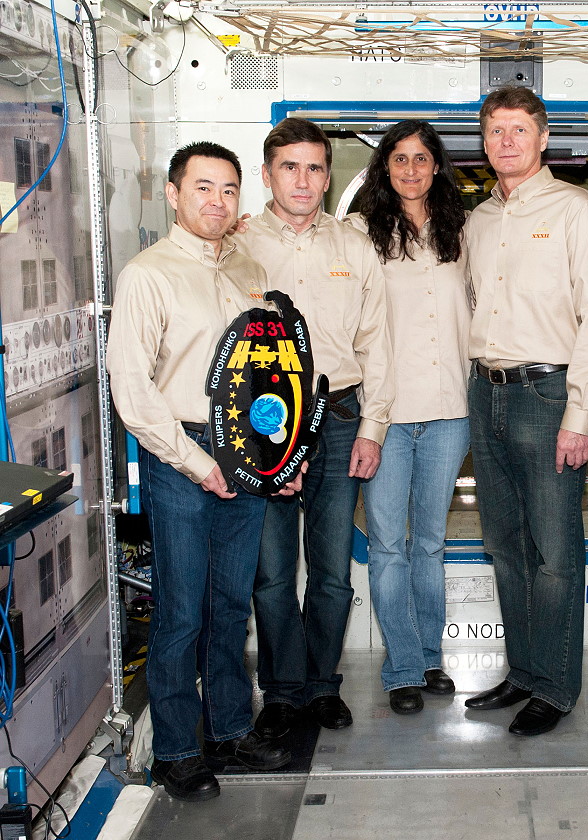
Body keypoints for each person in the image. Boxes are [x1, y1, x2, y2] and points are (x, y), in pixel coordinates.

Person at [108, 142, 294, 802]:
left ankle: (230, 730)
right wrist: (196, 463)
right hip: (179, 453)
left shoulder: (249, 268)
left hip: (245, 450)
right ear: (174, 193)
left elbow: (270, 373)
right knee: (182, 611)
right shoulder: (147, 274)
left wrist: (279, 456)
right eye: (203, 187)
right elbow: (133, 390)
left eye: (228, 189)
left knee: (230, 603)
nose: (217, 201)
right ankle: (177, 751)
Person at [463, 86, 588, 736]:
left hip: (547, 395)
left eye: (519, 129)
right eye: (495, 130)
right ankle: (522, 672)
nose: (506, 141)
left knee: (554, 553)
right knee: (504, 545)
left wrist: (580, 415)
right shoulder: (478, 220)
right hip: (486, 390)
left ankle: (555, 686)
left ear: (543, 138)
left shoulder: (578, 211)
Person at [239, 118, 393, 739]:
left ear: (328, 177)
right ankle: (282, 691)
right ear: (267, 174)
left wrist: (373, 428)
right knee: (272, 571)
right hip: (266, 424)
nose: (302, 181)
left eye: (314, 168)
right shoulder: (237, 245)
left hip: (341, 418)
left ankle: (323, 683)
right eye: (289, 167)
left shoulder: (355, 247)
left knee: (331, 569)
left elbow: (377, 341)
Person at [349, 120, 470, 714]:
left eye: (422, 158)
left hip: (450, 409)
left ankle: (429, 657)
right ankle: (400, 668)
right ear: (385, 167)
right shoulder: (359, 232)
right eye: (400, 158)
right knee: (388, 547)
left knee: (430, 544)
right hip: (386, 414)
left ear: (436, 166)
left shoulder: (462, 229)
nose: (411, 169)